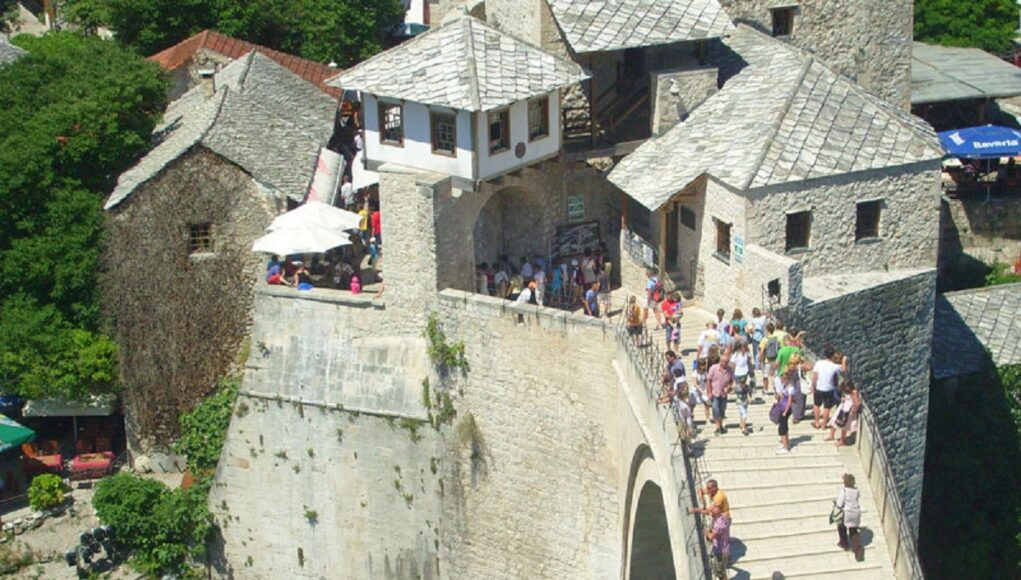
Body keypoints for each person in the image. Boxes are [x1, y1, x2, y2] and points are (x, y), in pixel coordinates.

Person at [811, 346, 843, 430]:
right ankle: (824, 425)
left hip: (819, 388)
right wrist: (844, 360)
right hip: (829, 389)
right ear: (833, 355)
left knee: (816, 405)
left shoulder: (819, 363)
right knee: (827, 407)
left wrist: (813, 386)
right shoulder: (834, 366)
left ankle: (817, 422)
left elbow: (815, 376)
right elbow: (844, 369)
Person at [835, 473, 864, 561]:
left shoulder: (844, 491)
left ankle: (844, 543)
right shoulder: (856, 491)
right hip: (856, 512)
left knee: (841, 526)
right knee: (853, 531)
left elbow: (839, 504)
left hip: (847, 512)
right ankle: (857, 550)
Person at [707, 355, 734, 435]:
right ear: (721, 361)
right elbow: (708, 380)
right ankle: (718, 427)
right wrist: (709, 391)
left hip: (723, 394)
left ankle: (721, 426)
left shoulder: (730, 369)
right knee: (716, 409)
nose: (727, 363)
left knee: (722, 410)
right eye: (725, 362)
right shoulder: (713, 368)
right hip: (714, 393)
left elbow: (731, 380)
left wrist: (728, 387)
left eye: (727, 362)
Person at [829, 379, 861, 446]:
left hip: (848, 410)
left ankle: (842, 441)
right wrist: (843, 398)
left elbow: (857, 403)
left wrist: (854, 412)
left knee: (844, 425)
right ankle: (831, 435)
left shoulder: (853, 392)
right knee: (834, 420)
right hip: (843, 407)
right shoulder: (846, 391)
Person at [706, 504, 731, 580]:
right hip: (725, 548)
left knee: (719, 573)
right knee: (722, 571)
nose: (710, 514)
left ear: (714, 515)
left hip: (721, 552)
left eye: (711, 513)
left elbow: (711, 537)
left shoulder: (718, 525)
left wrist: (705, 532)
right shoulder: (724, 517)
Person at [732, 342, 752, 435]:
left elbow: (749, 362)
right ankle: (743, 425)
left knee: (744, 387)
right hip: (737, 372)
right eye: (743, 347)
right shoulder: (736, 355)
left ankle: (742, 423)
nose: (744, 349)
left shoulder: (747, 354)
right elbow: (733, 364)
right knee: (739, 388)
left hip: (744, 371)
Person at [776, 371, 795, 454]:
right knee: (784, 426)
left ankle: (785, 447)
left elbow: (790, 401)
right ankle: (786, 443)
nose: (781, 381)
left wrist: (785, 411)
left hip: (785, 409)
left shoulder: (790, 388)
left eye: (782, 379)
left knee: (782, 428)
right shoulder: (785, 386)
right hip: (782, 407)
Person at [691, 359, 711, 424]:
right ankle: (691, 418)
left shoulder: (705, 372)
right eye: (702, 365)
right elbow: (695, 383)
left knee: (706, 403)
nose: (703, 366)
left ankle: (707, 418)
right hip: (696, 390)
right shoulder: (695, 373)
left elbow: (706, 381)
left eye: (704, 365)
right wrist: (701, 390)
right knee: (693, 404)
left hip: (703, 388)